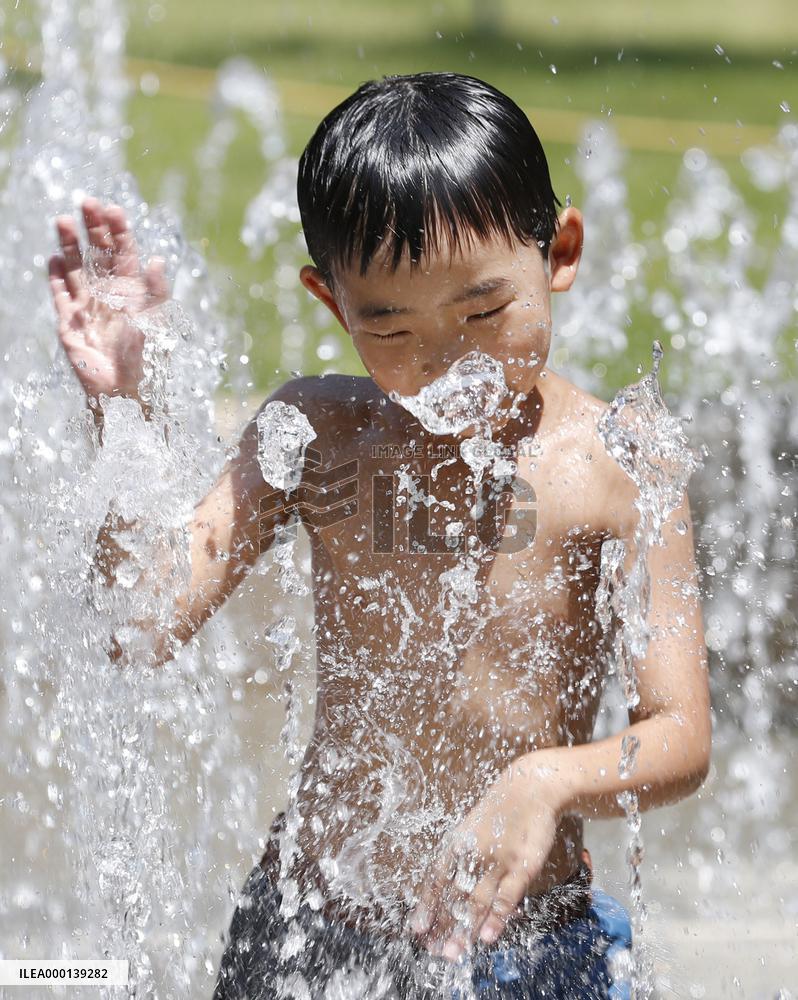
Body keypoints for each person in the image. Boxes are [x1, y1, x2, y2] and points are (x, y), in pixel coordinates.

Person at [47, 71, 711, 999]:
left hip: (529, 939)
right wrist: (120, 415)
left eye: (484, 312)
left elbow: (681, 735)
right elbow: (138, 624)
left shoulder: (616, 461)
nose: (445, 359)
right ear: (333, 303)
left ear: (558, 251)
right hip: (310, 931)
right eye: (390, 328)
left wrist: (548, 780)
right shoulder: (317, 437)